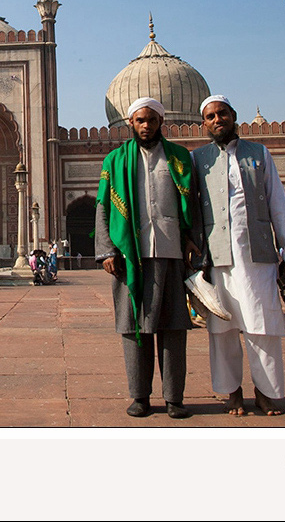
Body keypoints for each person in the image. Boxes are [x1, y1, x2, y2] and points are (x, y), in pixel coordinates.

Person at [192, 95, 285, 417]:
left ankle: (265, 393)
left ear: (233, 116)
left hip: (257, 256)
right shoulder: (198, 159)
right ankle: (232, 392)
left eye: (222, 114)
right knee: (221, 330)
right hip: (216, 258)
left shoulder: (259, 154)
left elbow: (278, 204)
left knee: (263, 326)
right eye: (210, 116)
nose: (217, 120)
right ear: (204, 124)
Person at [95, 97, 201, 419]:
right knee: (133, 328)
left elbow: (194, 205)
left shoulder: (180, 158)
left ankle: (174, 399)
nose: (146, 126)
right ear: (130, 122)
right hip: (130, 256)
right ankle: (139, 396)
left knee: (174, 328)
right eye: (140, 120)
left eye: (152, 120)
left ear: (161, 122)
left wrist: (193, 243)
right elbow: (102, 207)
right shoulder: (114, 160)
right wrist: (106, 251)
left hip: (170, 253)